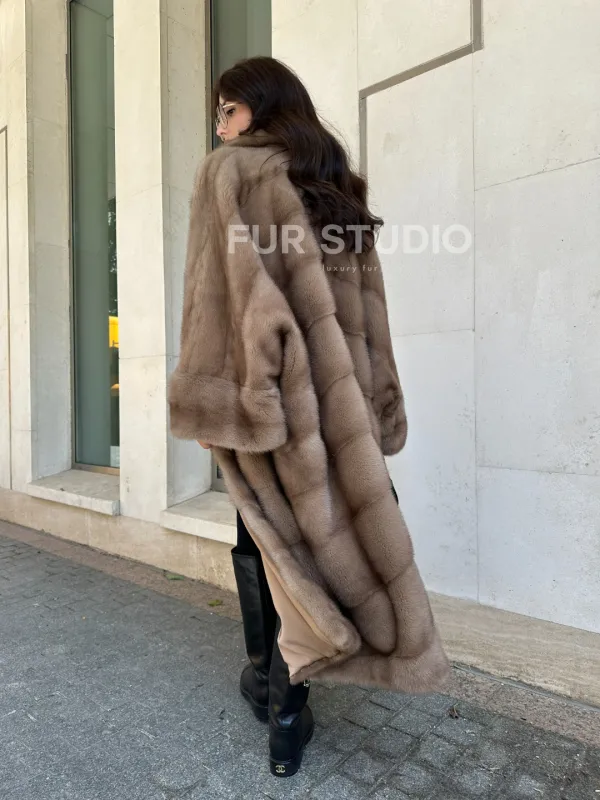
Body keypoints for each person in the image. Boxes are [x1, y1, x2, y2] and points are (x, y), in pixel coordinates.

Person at [169, 56, 449, 779]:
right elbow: (371, 322)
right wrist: (379, 404)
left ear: (260, 108)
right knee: (330, 541)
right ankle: (291, 690)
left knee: (264, 540)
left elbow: (221, 307)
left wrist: (214, 405)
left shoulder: (230, 175)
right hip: (343, 407)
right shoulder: (336, 187)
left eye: (227, 110)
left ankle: (280, 700)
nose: (220, 127)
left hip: (278, 401)